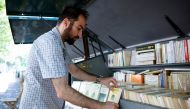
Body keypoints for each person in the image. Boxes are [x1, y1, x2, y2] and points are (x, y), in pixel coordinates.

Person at [19, 6, 119, 109]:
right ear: (66, 23)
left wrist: (101, 80)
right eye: (79, 28)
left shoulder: (59, 44)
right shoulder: (50, 43)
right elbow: (62, 91)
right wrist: (100, 106)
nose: (80, 35)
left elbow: (75, 71)